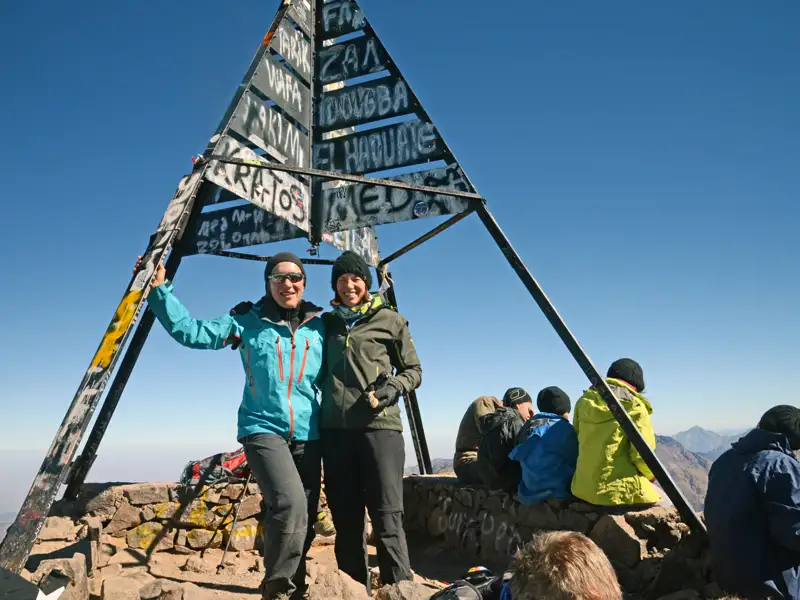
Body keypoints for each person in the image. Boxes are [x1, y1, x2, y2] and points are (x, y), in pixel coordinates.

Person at [140, 251, 324, 600]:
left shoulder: (319, 324)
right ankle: (279, 592)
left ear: (304, 283)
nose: (288, 283)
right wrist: (160, 290)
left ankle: (293, 588)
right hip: (262, 428)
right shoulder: (245, 320)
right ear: (268, 283)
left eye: (295, 277)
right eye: (279, 277)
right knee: (291, 504)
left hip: (309, 433)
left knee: (298, 518)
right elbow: (192, 332)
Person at [319, 251, 422, 588]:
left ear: (366, 282)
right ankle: (352, 592)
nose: (349, 285)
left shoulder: (390, 320)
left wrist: (391, 388)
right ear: (334, 283)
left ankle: (400, 591)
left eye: (356, 278)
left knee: (387, 517)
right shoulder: (325, 323)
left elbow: (414, 371)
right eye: (342, 279)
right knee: (346, 522)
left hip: (381, 430)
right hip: (335, 433)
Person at [704, 405, 800, 599]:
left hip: (728, 576)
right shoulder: (781, 465)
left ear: (759, 426)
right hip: (770, 585)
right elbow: (795, 534)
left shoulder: (724, 460)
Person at [570, 358, 661, 508]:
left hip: (583, 488)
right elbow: (643, 455)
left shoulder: (584, 402)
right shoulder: (635, 406)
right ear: (636, 386)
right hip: (618, 492)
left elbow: (577, 437)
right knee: (666, 502)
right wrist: (651, 476)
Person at [510, 386, 578, 504]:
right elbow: (577, 458)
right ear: (565, 409)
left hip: (528, 493)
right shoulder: (563, 428)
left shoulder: (528, 426)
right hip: (557, 493)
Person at [476, 388, 534, 492]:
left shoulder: (491, 422)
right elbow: (522, 454)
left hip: (491, 481)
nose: (530, 414)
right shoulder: (515, 421)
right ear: (518, 405)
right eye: (529, 408)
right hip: (509, 483)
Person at [453, 396, 502, 485]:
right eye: (528, 410)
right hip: (466, 462)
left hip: (475, 462)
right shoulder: (485, 402)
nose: (530, 415)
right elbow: (489, 433)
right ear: (518, 406)